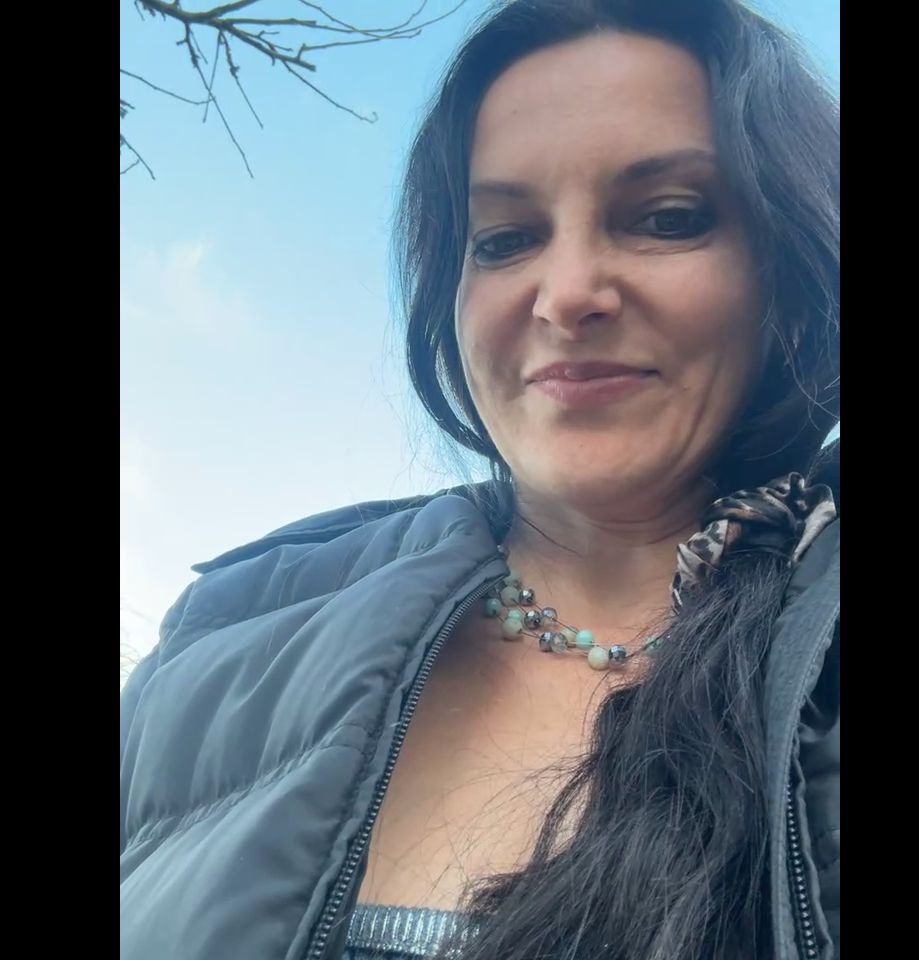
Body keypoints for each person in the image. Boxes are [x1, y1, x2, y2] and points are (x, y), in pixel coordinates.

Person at [119, 1, 840, 958]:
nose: (567, 294)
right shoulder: (226, 630)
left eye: (668, 219)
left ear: (788, 269)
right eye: (502, 238)